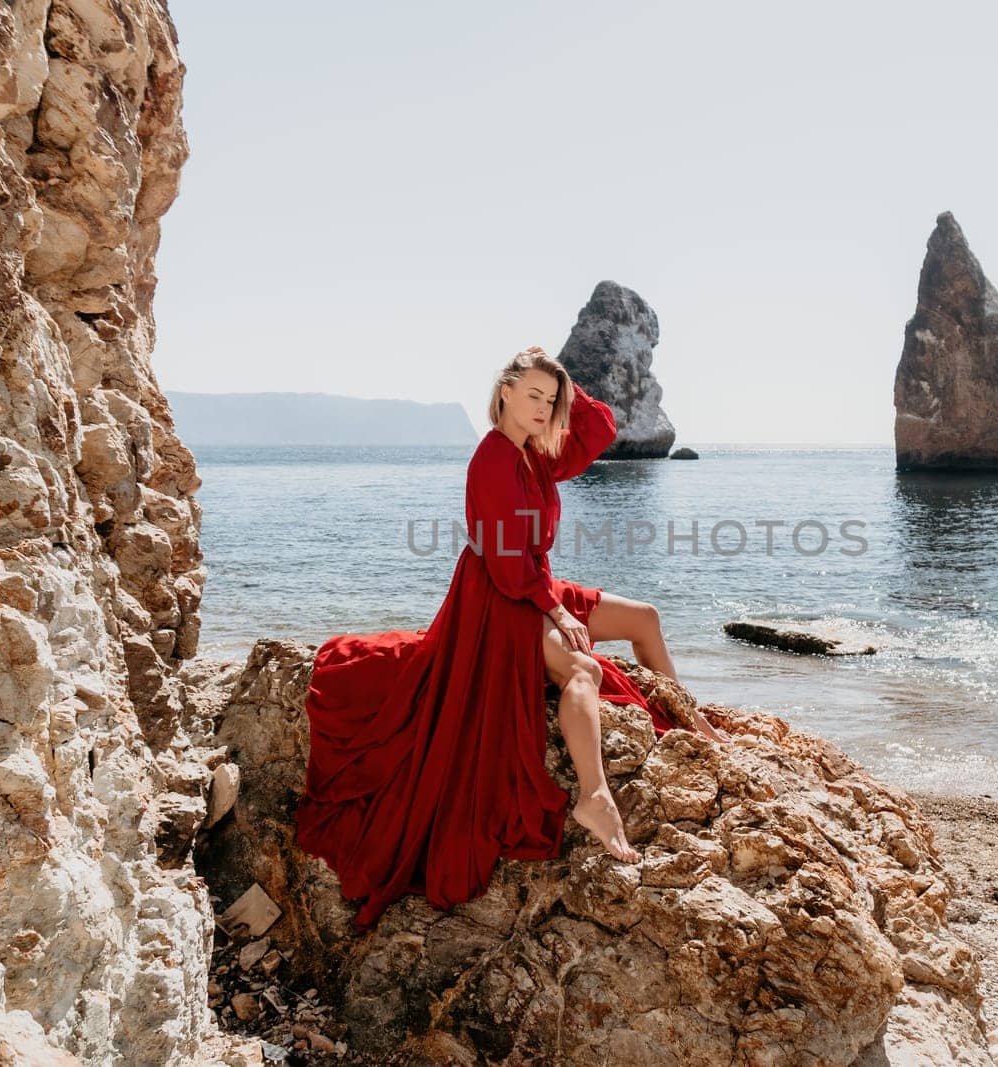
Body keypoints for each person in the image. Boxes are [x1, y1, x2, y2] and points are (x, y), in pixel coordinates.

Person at [294, 346, 728, 932]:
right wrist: (559, 614)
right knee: (584, 670)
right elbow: (502, 562)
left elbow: (598, 428)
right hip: (499, 600)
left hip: (532, 584)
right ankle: (594, 797)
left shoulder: (535, 458)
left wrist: (562, 381)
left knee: (644, 618)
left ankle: (685, 714)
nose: (544, 409)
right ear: (504, 393)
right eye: (532, 396)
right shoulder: (493, 460)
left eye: (550, 402)